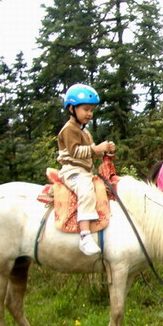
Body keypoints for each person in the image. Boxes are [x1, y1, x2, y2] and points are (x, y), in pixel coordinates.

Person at [57, 83, 115, 256]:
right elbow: (75, 152)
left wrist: (104, 151)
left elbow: (90, 154)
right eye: (85, 109)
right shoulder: (69, 129)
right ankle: (85, 235)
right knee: (86, 189)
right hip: (72, 171)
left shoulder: (85, 132)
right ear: (71, 108)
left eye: (92, 110)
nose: (89, 113)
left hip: (85, 170)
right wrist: (96, 149)